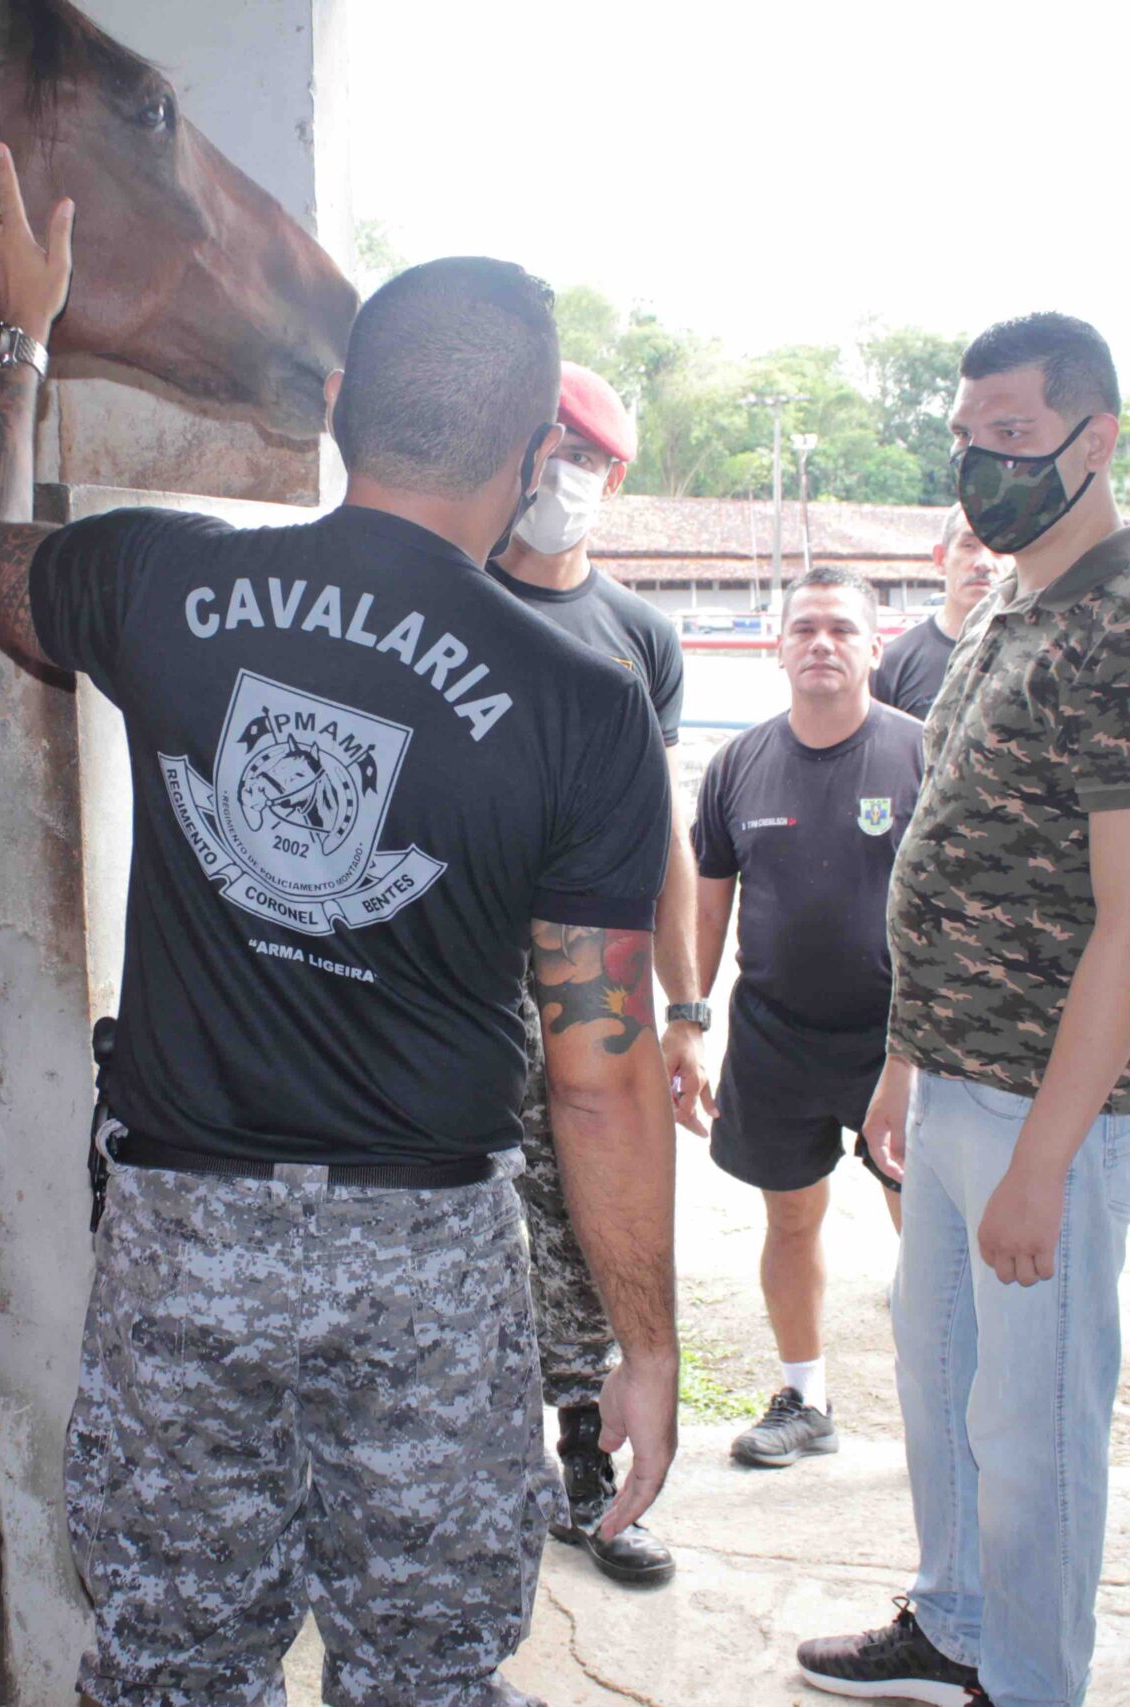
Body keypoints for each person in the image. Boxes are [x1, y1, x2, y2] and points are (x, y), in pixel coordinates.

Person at [0, 148, 681, 1706]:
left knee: (174, 1669)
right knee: (425, 1677)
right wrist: (646, 1344)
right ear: (536, 451)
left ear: (339, 407)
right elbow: (601, 1074)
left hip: (184, 1245)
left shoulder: (161, 580)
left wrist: (17, 344)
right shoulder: (583, 704)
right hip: (426, 1264)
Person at [797, 313, 1130, 1707]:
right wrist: (904, 1060)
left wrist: (1044, 1161)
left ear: (1094, 440)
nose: (979, 461)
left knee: (1034, 1425)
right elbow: (962, 839)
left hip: (1058, 1101)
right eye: (966, 434)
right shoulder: (1012, 602)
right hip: (958, 1075)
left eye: (1012, 435)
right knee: (942, 1375)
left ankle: (1033, 1681)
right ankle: (955, 1623)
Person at [488, 361, 699, 1585]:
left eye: (586, 460)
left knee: (583, 1228)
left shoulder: (636, 637)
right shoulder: (455, 594)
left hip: (585, 988)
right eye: (548, 450)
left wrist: (689, 1010)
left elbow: (662, 837)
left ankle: (585, 1467)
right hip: (461, 988)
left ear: (612, 479)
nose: (563, 476)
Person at [684, 566, 921, 1471]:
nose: (822, 643)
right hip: (775, 1036)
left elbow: (955, 913)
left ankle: (946, 1401)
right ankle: (805, 1397)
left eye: (842, 628)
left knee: (926, 1230)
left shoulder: (923, 754)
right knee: (789, 1220)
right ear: (777, 646)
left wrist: (916, 1051)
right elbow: (708, 909)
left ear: (875, 647)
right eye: (804, 628)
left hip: (896, 1042)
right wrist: (688, 1019)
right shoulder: (738, 764)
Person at [872, 505, 1005, 719]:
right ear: (941, 557)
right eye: (969, 545)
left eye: (999, 548)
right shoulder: (895, 662)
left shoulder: (1037, 655)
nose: (983, 563)